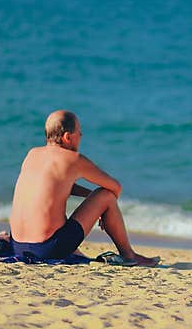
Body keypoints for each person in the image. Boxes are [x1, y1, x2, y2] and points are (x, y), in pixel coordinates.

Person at [8, 110, 160, 266]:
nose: (81, 136)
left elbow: (57, 185)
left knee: (98, 198)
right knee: (106, 195)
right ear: (67, 137)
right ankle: (129, 255)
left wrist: (92, 201)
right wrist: (104, 209)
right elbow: (115, 187)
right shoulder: (73, 159)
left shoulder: (32, 154)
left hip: (17, 247)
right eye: (79, 132)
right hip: (48, 249)